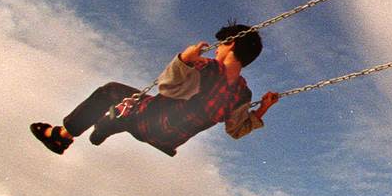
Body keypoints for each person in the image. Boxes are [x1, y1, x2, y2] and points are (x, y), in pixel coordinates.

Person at [30, 22, 278, 158]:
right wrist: (262, 110)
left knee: (112, 92)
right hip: (168, 138)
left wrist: (183, 60)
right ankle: (111, 124)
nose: (216, 50)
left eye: (220, 46)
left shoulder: (208, 68)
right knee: (131, 109)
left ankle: (62, 135)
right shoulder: (242, 94)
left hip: (150, 121)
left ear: (230, 43)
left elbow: (168, 87)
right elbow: (236, 130)